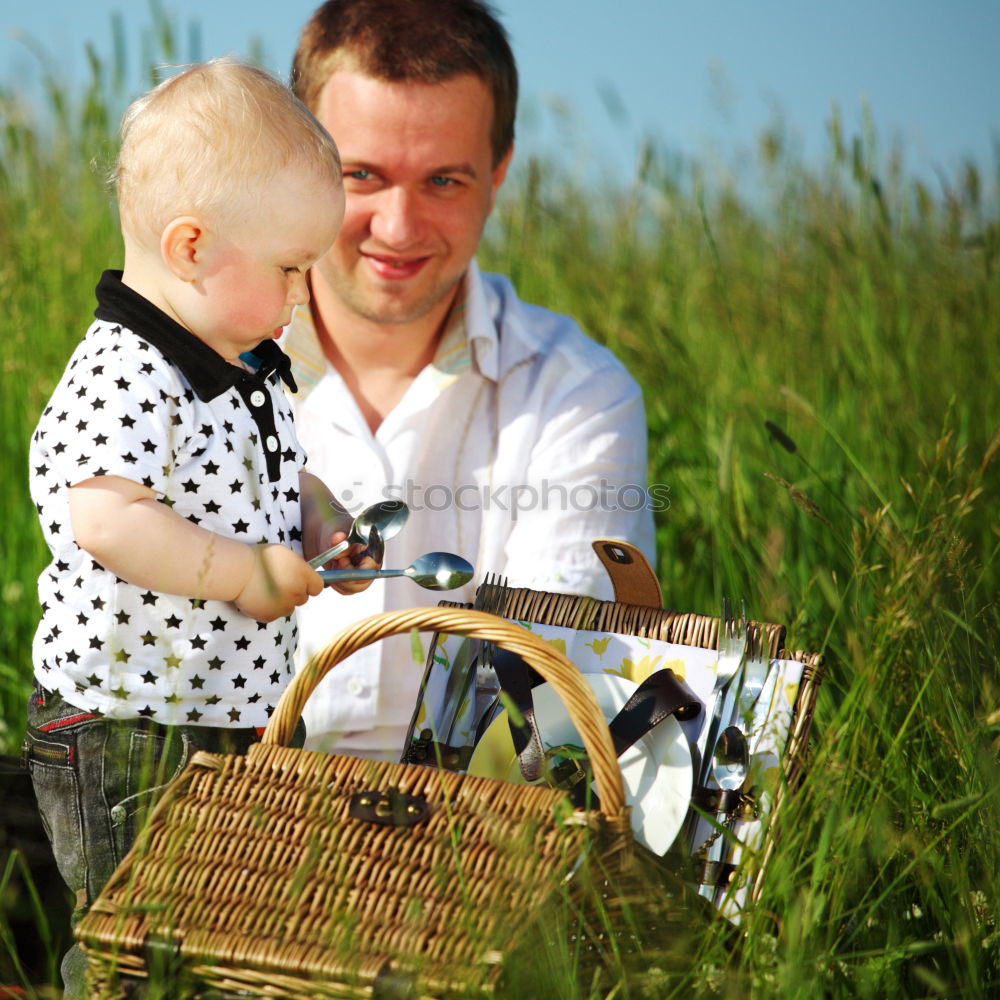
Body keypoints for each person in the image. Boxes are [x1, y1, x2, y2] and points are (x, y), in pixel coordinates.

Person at [23, 58, 373, 997]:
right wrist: (244, 576)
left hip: (226, 714)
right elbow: (105, 516)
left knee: (224, 947)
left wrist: (321, 523)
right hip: (134, 721)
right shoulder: (127, 372)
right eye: (292, 269)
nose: (304, 295)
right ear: (191, 248)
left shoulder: (246, 363)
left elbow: (269, 474)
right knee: (133, 950)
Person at [282, 0, 656, 761]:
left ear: (499, 173)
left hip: (474, 850)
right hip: (214, 831)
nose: (398, 226)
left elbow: (548, 716)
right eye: (362, 174)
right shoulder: (186, 372)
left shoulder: (578, 398)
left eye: (444, 181)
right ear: (297, 160)